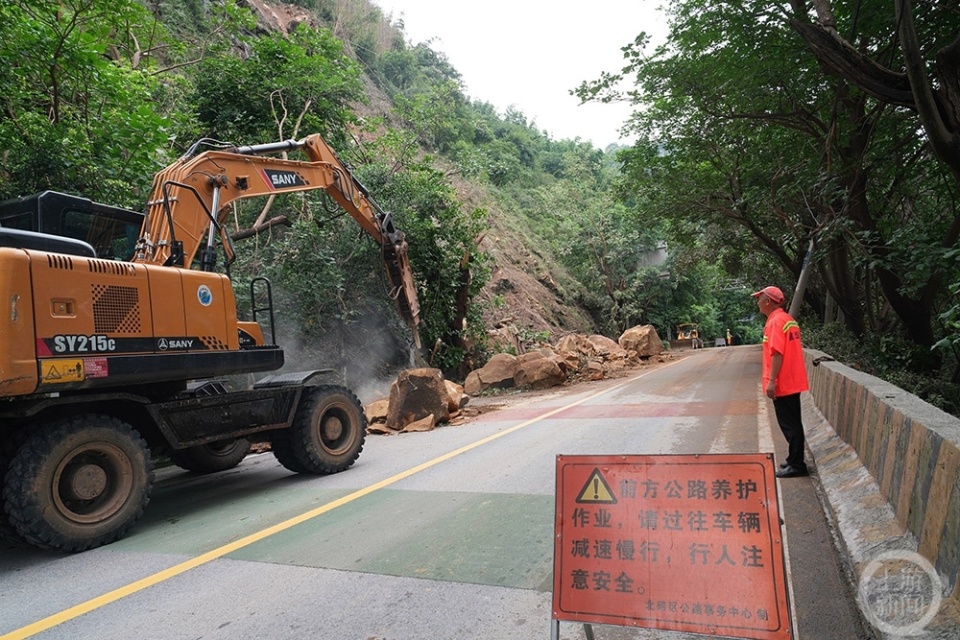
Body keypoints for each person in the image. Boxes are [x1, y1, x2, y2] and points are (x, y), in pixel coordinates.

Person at [753, 285, 810, 478]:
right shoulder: (787, 320)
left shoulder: (775, 322)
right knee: (793, 422)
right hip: (792, 379)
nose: (757, 302)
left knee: (790, 425)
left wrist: (771, 381)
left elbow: (776, 353)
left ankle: (797, 465)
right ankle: (794, 460)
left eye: (759, 298)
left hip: (783, 382)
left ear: (768, 301)